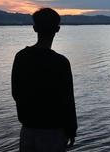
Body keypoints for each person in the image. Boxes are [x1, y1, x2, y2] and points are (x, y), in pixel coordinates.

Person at [11, 8, 77, 152]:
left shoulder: (21, 57)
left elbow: (16, 93)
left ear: (35, 28)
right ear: (57, 29)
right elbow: (68, 100)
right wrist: (72, 130)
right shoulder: (61, 62)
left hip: (28, 130)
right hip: (53, 132)